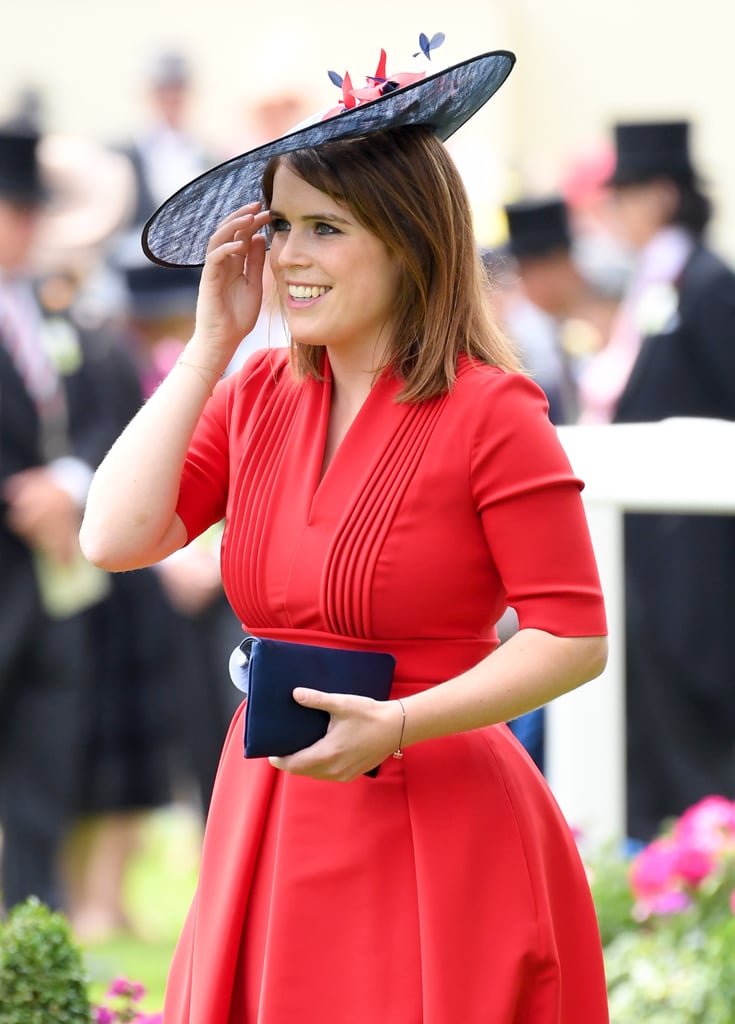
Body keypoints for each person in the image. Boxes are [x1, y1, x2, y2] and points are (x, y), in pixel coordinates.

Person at [81, 43, 610, 1023]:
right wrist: (207, 346)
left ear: (409, 242)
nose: (289, 257)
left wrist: (405, 721)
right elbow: (111, 535)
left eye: (325, 228)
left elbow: (573, 634)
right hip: (270, 803)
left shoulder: (495, 412)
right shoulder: (255, 397)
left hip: (439, 811)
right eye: (280, 226)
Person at [578, 119, 735, 844]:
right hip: (644, 545)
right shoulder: (651, 285)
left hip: (698, 549)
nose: (615, 211)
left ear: (664, 196)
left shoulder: (704, 282)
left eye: (628, 194)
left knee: (698, 703)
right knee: (651, 700)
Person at [0, 120, 134, 913]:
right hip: (13, 544)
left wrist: (72, 480)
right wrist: (22, 495)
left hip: (54, 578)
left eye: (28, 209)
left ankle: (31, 922)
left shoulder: (55, 312)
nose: (24, 225)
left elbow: (99, 412)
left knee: (47, 750)